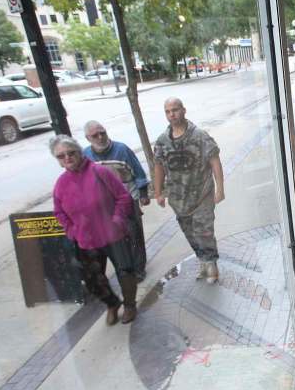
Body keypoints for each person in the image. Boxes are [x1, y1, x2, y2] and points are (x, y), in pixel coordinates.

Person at [50, 135, 139, 325]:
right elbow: (59, 212)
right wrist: (72, 231)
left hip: (113, 234)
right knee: (92, 280)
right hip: (86, 239)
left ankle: (130, 305)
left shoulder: (99, 172)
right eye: (61, 156)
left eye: (70, 153)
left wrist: (117, 220)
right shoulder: (61, 184)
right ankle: (112, 303)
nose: (67, 158)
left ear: (79, 152)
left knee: (126, 272)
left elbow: (123, 198)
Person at [153, 97, 226, 283]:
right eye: (168, 111)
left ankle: (211, 265)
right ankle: (203, 260)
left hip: (202, 194)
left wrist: (220, 189)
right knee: (190, 233)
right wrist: (158, 192)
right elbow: (159, 167)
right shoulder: (162, 141)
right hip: (179, 199)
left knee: (204, 231)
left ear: (184, 110)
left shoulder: (199, 136)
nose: (172, 115)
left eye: (175, 110)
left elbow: (214, 160)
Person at [82, 120, 150, 281]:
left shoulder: (122, 150)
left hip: (127, 199)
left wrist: (143, 194)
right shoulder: (85, 156)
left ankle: (139, 268)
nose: (100, 137)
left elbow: (139, 173)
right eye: (95, 135)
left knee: (134, 235)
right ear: (88, 138)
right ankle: (125, 268)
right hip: (104, 206)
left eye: (102, 133)